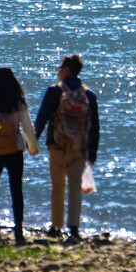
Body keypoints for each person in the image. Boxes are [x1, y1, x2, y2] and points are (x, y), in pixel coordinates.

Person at [33, 54, 99, 243]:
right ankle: (74, 229)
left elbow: (42, 118)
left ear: (67, 69)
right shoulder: (89, 95)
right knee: (75, 188)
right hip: (79, 149)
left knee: (58, 187)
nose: (58, 71)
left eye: (60, 67)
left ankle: (56, 227)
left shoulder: (55, 91)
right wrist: (92, 153)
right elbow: (95, 126)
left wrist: (33, 142)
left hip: (57, 146)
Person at [0, 67, 38, 245]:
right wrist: (31, 147)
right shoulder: (18, 102)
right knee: (16, 191)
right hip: (15, 150)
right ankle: (18, 230)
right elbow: (27, 128)